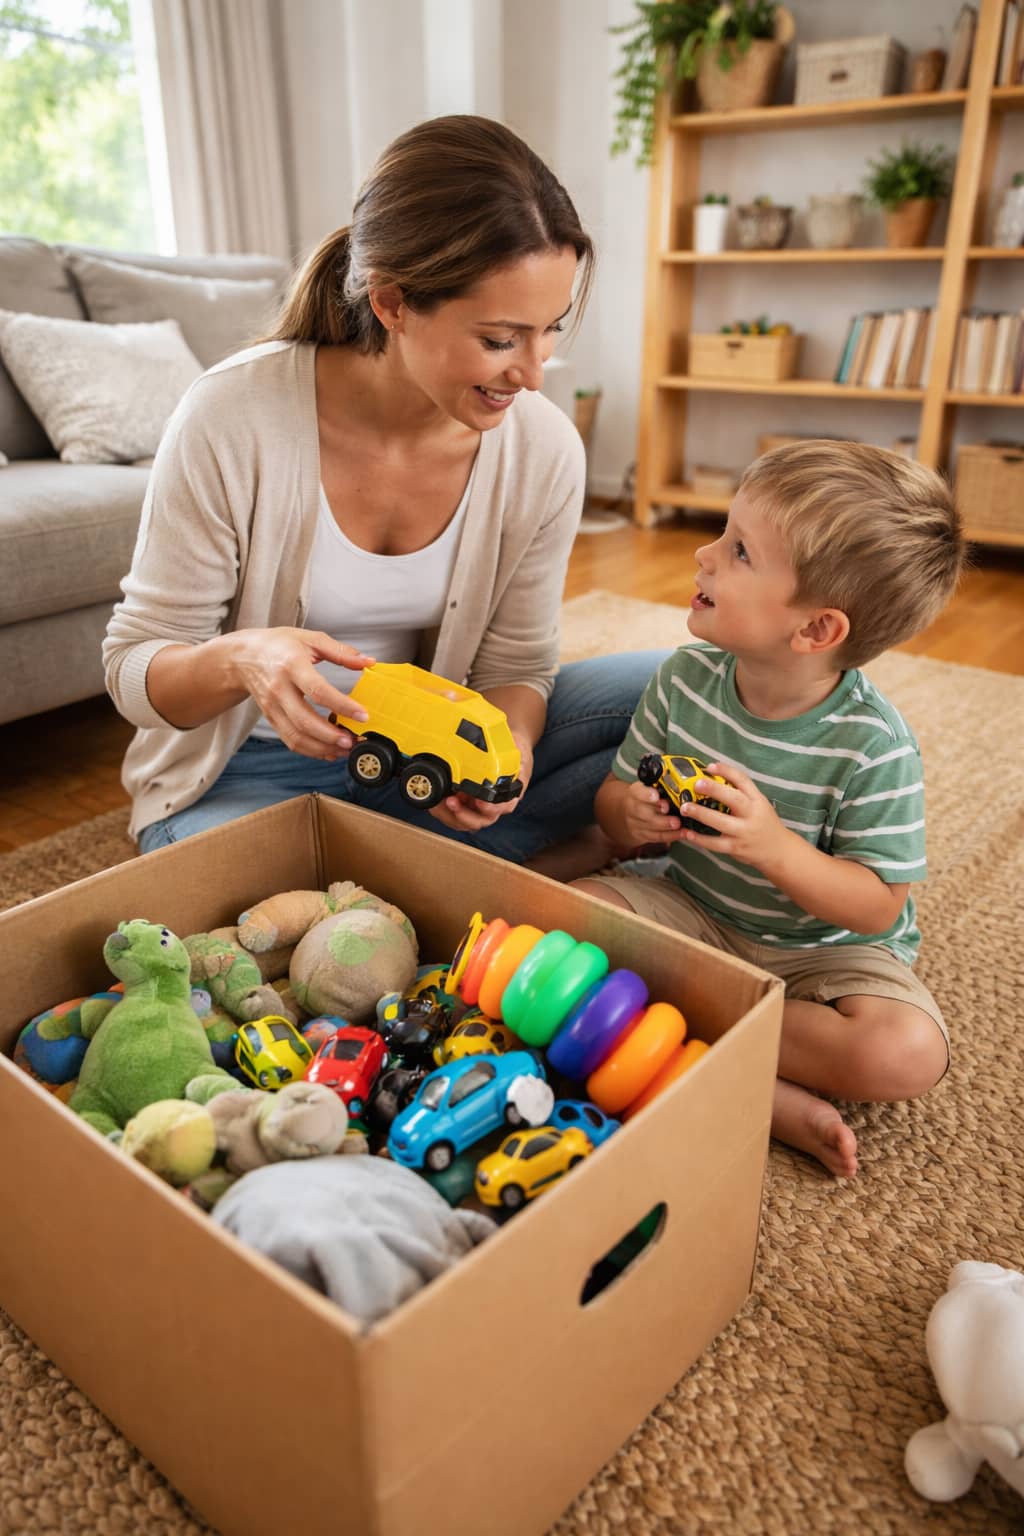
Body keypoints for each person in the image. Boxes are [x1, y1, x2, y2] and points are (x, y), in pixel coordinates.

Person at [104, 115, 664, 876]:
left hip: (422, 758)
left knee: (690, 691)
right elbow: (136, 672)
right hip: (246, 780)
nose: (533, 374)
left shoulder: (541, 448)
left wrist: (508, 756)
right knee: (267, 901)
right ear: (393, 303)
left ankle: (441, 865)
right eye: (500, 340)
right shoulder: (234, 415)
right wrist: (243, 661)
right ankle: (475, 873)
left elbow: (518, 665)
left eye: (549, 330)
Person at [573, 441, 965, 1179]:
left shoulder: (872, 746)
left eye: (741, 552)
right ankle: (756, 1080)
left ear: (816, 630)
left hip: (824, 953)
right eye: (724, 534)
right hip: (692, 909)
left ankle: (691, 1040)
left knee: (904, 1051)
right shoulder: (683, 680)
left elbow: (880, 906)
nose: (703, 554)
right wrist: (635, 817)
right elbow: (610, 814)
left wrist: (774, 848)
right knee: (566, 914)